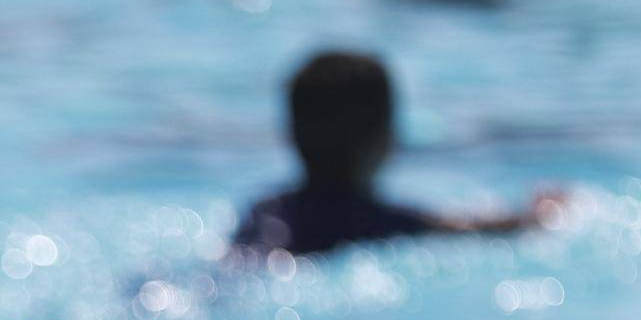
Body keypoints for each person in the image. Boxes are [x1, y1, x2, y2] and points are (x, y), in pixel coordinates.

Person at [232, 51, 559, 258]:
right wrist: (537, 215)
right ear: (384, 139)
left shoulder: (264, 213)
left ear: (290, 135)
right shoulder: (383, 221)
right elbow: (469, 228)